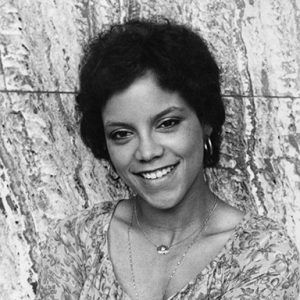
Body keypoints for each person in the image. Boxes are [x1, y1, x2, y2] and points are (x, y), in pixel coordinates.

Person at [36, 19, 300, 300]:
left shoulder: (261, 253)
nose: (147, 152)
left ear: (205, 120)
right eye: (122, 133)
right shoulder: (77, 241)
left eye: (167, 123)